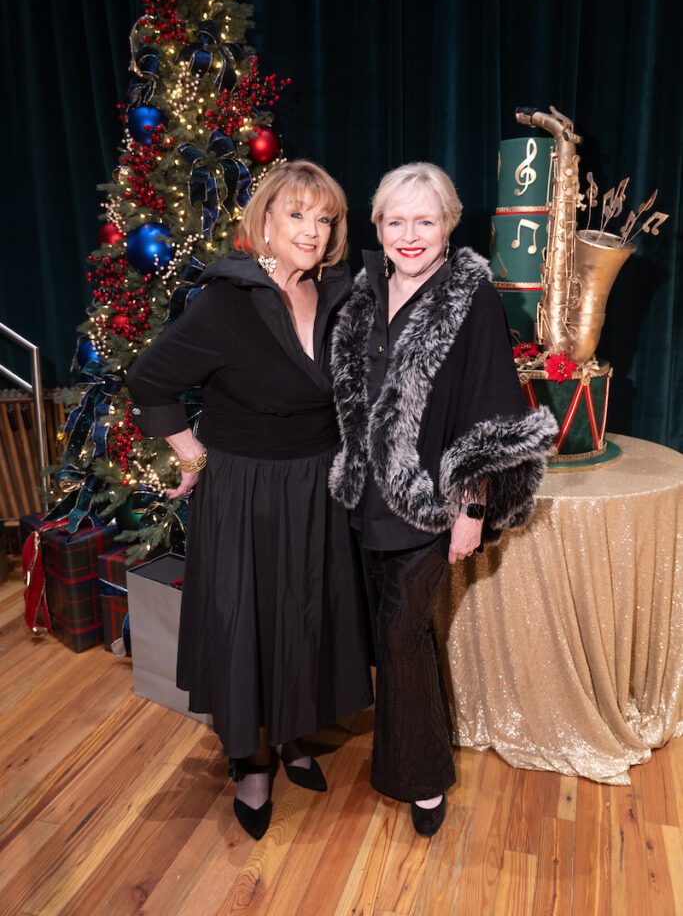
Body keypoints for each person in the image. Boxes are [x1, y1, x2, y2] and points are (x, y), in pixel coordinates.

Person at [126, 160, 373, 840]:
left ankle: (293, 735)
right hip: (245, 491)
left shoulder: (336, 295)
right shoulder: (227, 300)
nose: (312, 232)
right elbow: (149, 381)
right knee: (247, 628)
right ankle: (252, 758)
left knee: (304, 619)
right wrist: (193, 456)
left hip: (315, 487)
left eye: (324, 220)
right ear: (263, 221)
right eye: (296, 215)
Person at [328, 162, 557, 837]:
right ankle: (367, 741)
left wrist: (473, 510)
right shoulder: (360, 291)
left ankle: (421, 777)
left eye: (424, 221)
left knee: (403, 634)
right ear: (376, 226)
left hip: (427, 504)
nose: (409, 234)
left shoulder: (472, 296)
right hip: (355, 499)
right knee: (376, 631)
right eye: (395, 220)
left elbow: (490, 410)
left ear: (448, 226)